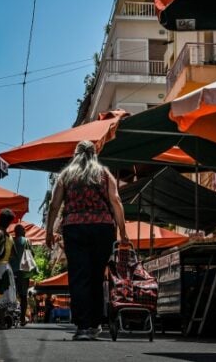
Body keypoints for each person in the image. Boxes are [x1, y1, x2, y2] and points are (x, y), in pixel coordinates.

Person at [46, 140, 128, 341]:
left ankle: (83, 326)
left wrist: (49, 231)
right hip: (103, 228)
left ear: (75, 154)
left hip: (74, 228)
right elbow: (116, 201)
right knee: (96, 276)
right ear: (94, 155)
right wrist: (124, 233)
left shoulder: (66, 175)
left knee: (79, 275)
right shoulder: (104, 174)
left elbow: (54, 204)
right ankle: (95, 323)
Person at [8, 223, 32, 326]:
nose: (25, 232)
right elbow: (32, 254)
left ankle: (10, 316)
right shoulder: (26, 241)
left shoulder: (11, 240)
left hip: (11, 271)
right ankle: (22, 319)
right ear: (21, 232)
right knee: (23, 296)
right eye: (24, 230)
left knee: (11, 295)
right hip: (23, 271)